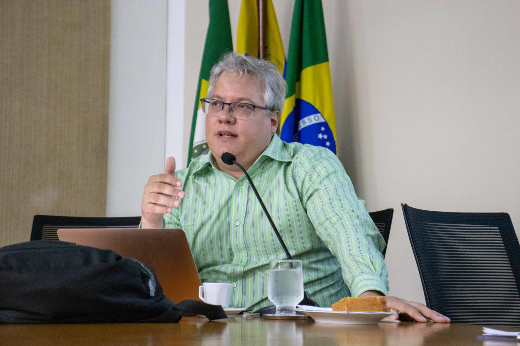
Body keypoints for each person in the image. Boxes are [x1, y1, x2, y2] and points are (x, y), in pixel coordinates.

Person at [141, 52, 449, 322]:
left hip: (303, 330)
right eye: (217, 104)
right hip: (207, 332)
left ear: (274, 120)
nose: (225, 116)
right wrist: (152, 221)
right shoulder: (181, 184)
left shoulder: (310, 166)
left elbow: (351, 238)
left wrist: (369, 301)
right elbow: (154, 284)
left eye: (243, 107)